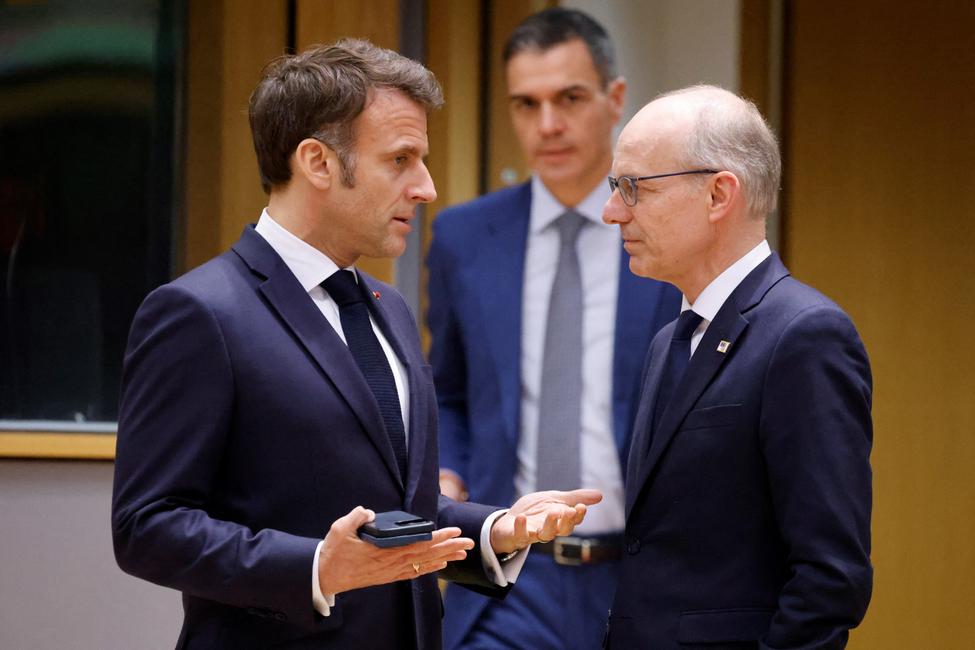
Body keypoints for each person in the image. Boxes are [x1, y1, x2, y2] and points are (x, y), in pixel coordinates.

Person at [111, 39, 601, 650]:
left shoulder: (387, 308)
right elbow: (147, 527)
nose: (426, 187)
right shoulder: (198, 312)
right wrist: (316, 567)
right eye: (401, 160)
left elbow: (393, 514)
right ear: (317, 161)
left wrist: (498, 529)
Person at [426, 8, 679, 650]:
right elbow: (449, 390)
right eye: (525, 103)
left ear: (615, 97)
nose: (547, 125)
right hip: (504, 585)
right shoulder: (463, 237)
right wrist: (446, 475)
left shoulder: (668, 235)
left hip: (641, 575)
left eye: (568, 97)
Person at [601, 84, 873, 648]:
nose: (611, 211)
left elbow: (829, 580)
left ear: (719, 194)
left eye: (632, 188)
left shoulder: (804, 335)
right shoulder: (668, 341)